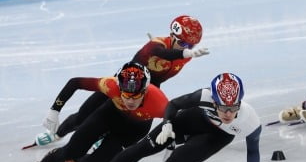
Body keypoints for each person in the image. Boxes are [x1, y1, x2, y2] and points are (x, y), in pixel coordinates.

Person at [74, 73, 276, 162]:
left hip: (217, 137)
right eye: (223, 107)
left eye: (233, 108)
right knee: (146, 146)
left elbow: (253, 150)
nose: (228, 114)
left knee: (176, 159)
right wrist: (169, 123)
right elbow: (173, 105)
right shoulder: (203, 95)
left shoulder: (250, 119)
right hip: (194, 120)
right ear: (214, 100)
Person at [35, 15, 209, 146]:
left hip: (147, 94)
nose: (188, 49)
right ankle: (57, 134)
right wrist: (185, 52)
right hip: (123, 85)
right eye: (185, 44)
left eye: (191, 46)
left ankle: (103, 139)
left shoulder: (186, 54)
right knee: (83, 115)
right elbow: (161, 52)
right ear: (172, 35)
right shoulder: (160, 46)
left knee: (127, 125)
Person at [7, 63, 169, 162]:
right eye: (126, 95)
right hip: (108, 115)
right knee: (69, 150)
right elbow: (74, 82)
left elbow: (177, 122)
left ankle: (76, 161)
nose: (130, 101)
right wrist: (54, 110)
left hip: (132, 131)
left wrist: (171, 150)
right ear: (119, 87)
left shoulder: (160, 103)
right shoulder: (110, 84)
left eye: (136, 96)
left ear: (146, 90)